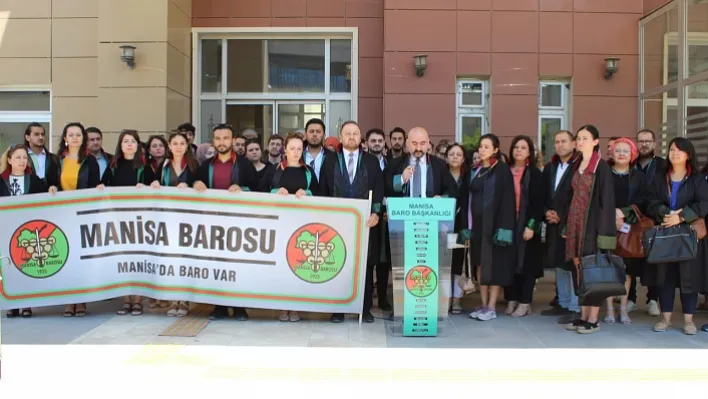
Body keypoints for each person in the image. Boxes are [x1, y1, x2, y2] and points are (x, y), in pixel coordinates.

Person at [320, 122, 383, 323]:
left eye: (355, 133)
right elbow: (323, 189)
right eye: (347, 133)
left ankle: (364, 309)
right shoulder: (330, 161)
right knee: (338, 264)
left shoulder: (372, 161)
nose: (351, 137)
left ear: (360, 136)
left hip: (365, 223)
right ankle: (337, 309)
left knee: (363, 266)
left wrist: (376, 213)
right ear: (341, 136)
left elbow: (379, 189)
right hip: (336, 223)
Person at [194, 123, 258, 321]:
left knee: (238, 265)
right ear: (213, 141)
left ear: (232, 140)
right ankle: (219, 306)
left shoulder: (245, 165)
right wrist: (195, 184)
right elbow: (193, 185)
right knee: (217, 265)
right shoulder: (206, 166)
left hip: (238, 223)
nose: (222, 142)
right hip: (213, 223)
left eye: (225, 138)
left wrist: (242, 190)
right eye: (218, 138)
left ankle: (239, 307)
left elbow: (257, 190)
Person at [645, 137, 708, 335]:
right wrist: (665, 214)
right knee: (665, 277)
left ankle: (689, 321)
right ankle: (666, 319)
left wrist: (681, 216)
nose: (674, 153)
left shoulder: (697, 179)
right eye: (672, 149)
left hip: (688, 234)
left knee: (688, 278)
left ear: (688, 154)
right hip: (665, 233)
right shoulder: (659, 177)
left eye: (679, 150)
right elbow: (650, 202)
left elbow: (703, 204)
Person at [260, 132, 320, 322]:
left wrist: (308, 192)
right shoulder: (274, 170)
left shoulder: (308, 171)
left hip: (302, 226)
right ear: (285, 149)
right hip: (279, 224)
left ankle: (295, 305)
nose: (295, 152)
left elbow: (320, 195)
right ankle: (282, 305)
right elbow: (260, 193)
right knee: (281, 266)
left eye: (299, 149)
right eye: (292, 148)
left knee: (298, 265)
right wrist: (275, 192)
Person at [564, 125, 616, 334]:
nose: (580, 141)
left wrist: (605, 234)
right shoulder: (576, 164)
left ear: (595, 141)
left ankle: (593, 318)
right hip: (575, 224)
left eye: (585, 138)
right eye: (578, 138)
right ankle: (583, 314)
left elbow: (607, 201)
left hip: (592, 226)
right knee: (579, 270)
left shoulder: (601, 167)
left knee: (592, 271)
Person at [98, 129, 155, 317]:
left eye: (133, 141)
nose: (129, 144)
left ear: (138, 145)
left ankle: (138, 301)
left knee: (138, 258)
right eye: (125, 141)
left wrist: (147, 187)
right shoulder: (113, 165)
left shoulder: (145, 167)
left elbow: (155, 186)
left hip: (140, 221)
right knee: (122, 259)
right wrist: (101, 187)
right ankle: (126, 300)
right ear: (120, 145)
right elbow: (103, 184)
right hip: (118, 219)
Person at [458, 134, 515, 321]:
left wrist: (505, 228)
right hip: (478, 226)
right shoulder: (474, 170)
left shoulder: (502, 170)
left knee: (495, 266)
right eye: (480, 146)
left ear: (495, 150)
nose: (482, 149)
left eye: (486, 146)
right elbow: (466, 199)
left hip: (496, 226)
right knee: (480, 265)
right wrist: (466, 226)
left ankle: (491, 307)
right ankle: (482, 304)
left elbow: (508, 200)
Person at [148, 131, 200, 317]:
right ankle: (172, 299)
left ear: (187, 146)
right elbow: (153, 184)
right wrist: (154, 184)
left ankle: (184, 300)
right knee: (170, 258)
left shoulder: (194, 165)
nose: (178, 146)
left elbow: (202, 186)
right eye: (175, 143)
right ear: (169, 146)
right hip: (168, 219)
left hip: (188, 219)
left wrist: (192, 186)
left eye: (182, 143)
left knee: (185, 258)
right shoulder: (163, 165)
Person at [2, 144, 57, 318]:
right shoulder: (1, 180)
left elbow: (44, 198)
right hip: (6, 229)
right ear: (9, 160)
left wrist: (51, 190)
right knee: (9, 266)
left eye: (25, 158)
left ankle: (27, 303)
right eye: (18, 157)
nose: (22, 161)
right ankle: (12, 304)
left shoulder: (34, 180)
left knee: (26, 265)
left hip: (27, 230)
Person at [57, 122, 101, 317]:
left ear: (83, 138)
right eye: (71, 134)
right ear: (65, 138)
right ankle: (68, 299)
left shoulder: (90, 161)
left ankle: (81, 300)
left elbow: (94, 184)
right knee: (66, 257)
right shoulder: (56, 160)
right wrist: (51, 187)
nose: (75, 137)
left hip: (83, 215)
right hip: (62, 215)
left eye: (78, 134)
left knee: (81, 258)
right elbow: (50, 181)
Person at [604, 138, 647, 325]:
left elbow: (644, 201)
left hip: (628, 229)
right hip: (606, 225)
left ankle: (623, 309)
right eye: (618, 150)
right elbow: (598, 198)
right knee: (608, 268)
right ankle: (608, 310)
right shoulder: (604, 174)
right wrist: (612, 215)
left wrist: (624, 213)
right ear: (612, 153)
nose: (621, 154)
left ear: (632, 155)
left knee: (626, 271)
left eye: (625, 151)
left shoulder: (639, 177)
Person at [539, 130, 581, 325]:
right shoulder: (550, 167)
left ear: (574, 143)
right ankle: (562, 303)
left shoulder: (579, 166)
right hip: (552, 223)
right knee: (558, 264)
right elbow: (544, 194)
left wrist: (562, 216)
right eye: (556, 142)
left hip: (571, 224)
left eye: (564, 141)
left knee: (572, 265)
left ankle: (575, 306)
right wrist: (546, 211)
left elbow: (579, 197)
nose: (560, 145)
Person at [504, 135, 544, 318]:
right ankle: (511, 298)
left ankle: (525, 301)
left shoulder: (534, 174)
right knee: (509, 262)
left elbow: (538, 203)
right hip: (508, 224)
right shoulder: (505, 171)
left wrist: (531, 226)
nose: (518, 150)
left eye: (523, 147)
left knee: (526, 265)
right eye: (516, 147)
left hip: (527, 225)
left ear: (529, 152)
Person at [633, 128, 665, 316]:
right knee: (630, 257)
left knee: (655, 260)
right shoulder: (631, 164)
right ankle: (630, 298)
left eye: (647, 141)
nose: (644, 144)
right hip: (634, 219)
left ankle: (653, 299)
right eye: (641, 141)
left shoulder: (662, 165)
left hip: (655, 218)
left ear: (654, 144)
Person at [385, 127, 457, 199]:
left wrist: (441, 198)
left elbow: (452, 191)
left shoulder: (440, 165)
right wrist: (401, 179)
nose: (418, 148)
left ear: (428, 143)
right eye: (414, 143)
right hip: (404, 209)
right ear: (407, 143)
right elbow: (386, 189)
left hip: (431, 209)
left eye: (422, 143)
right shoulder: (394, 164)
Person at [365, 128, 392, 311]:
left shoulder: (392, 164)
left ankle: (382, 298)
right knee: (367, 258)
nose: (376, 143)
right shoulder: (362, 163)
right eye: (373, 140)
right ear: (366, 143)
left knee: (384, 260)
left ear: (384, 144)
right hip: (366, 216)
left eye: (380, 141)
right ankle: (365, 299)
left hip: (387, 218)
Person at [446, 143, 468, 314]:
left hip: (462, 226)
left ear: (463, 159)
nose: (454, 157)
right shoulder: (440, 175)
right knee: (445, 263)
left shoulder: (469, 177)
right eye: (451, 154)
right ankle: (445, 299)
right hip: (444, 226)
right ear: (446, 157)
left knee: (459, 264)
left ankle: (456, 300)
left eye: (458, 154)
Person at [24, 122, 60, 189]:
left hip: (51, 197)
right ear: (27, 137)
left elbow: (59, 181)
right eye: (36, 134)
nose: (41, 137)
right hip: (27, 197)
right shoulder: (22, 158)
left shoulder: (54, 158)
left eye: (42, 134)